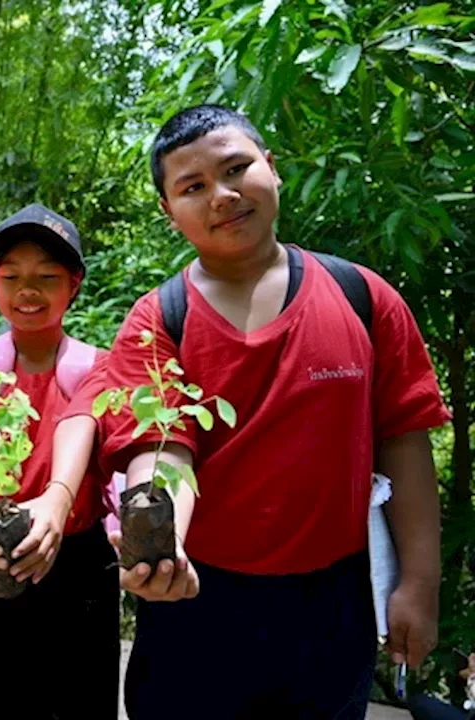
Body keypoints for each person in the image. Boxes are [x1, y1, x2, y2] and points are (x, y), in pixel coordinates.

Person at [103, 104, 451, 719]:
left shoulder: (363, 298)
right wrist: (160, 545)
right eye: (193, 187)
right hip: (197, 598)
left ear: (273, 167)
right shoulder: (158, 320)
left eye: (237, 168)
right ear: (168, 211)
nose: (223, 195)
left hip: (331, 602)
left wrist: (419, 583)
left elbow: (404, 441)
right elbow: (165, 451)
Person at [0, 203, 118, 718]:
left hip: (79, 557)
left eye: (47, 277)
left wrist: (53, 507)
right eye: (11, 276)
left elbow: (77, 428)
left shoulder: (100, 369)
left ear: (75, 284)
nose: (27, 291)